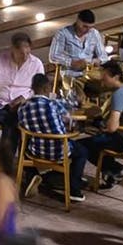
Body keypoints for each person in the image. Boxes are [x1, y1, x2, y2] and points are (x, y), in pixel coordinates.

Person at [16, 72, 87, 202]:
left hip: (35, 151)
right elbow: (69, 118)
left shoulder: (23, 107)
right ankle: (74, 190)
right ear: (46, 89)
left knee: (23, 142)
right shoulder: (53, 104)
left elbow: (23, 125)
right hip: (59, 152)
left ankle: (32, 175)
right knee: (82, 151)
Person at [80, 60, 123, 190]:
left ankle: (116, 169)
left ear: (116, 77)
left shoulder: (119, 94)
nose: (102, 81)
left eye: (104, 77)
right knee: (97, 138)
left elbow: (112, 128)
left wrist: (99, 124)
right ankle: (112, 171)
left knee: (83, 145)